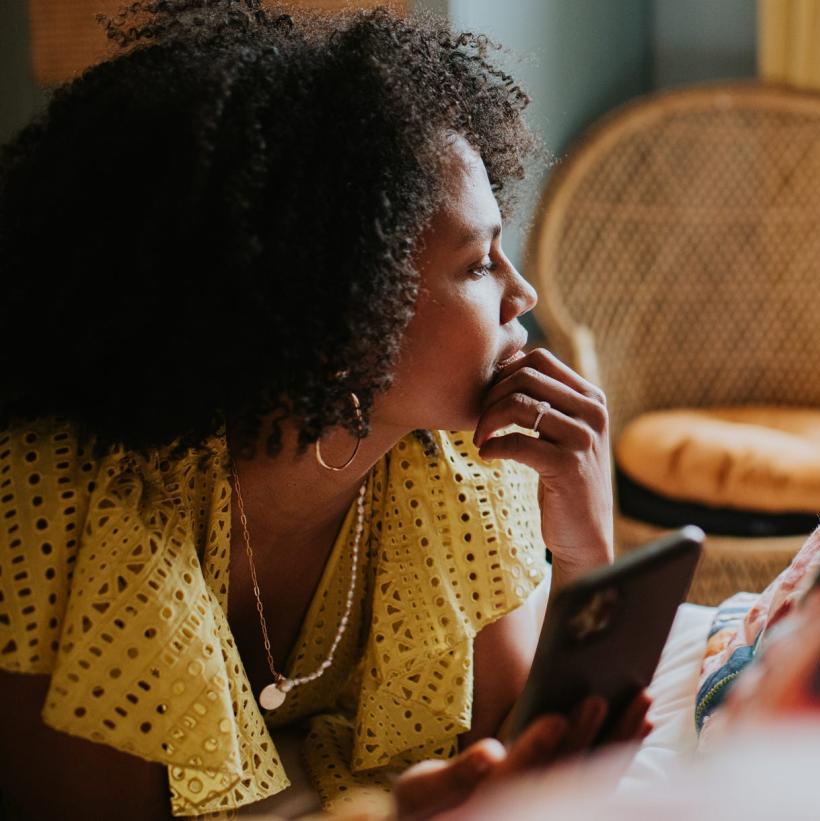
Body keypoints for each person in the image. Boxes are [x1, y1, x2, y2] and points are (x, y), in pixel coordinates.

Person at [0, 2, 648, 817]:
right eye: (481, 263)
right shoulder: (61, 505)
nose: (524, 293)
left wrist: (587, 548)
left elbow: (524, 751)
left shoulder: (466, 468)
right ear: (346, 309)